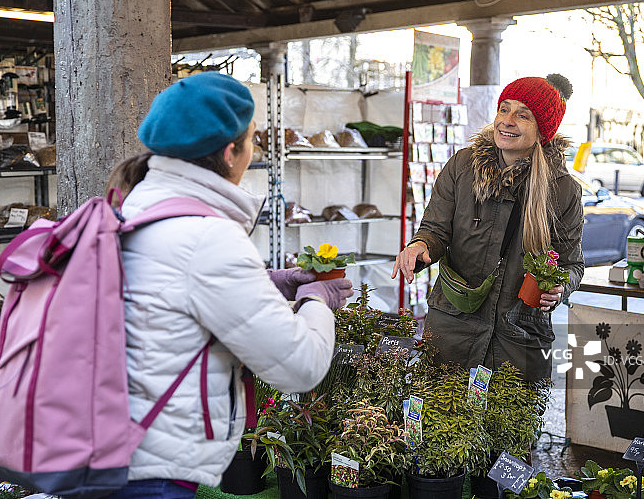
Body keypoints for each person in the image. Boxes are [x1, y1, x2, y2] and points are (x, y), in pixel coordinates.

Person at [108, 72, 353, 498]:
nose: (253, 151)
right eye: (253, 140)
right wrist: (317, 299)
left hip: (120, 441)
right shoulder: (208, 236)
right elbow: (300, 366)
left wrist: (269, 282)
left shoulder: (136, 205)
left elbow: (178, 290)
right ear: (229, 152)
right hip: (153, 466)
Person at [392, 74, 584, 383]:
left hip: (518, 338)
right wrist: (420, 245)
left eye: (523, 115)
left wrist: (560, 287)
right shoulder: (462, 167)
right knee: (441, 424)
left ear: (543, 130)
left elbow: (571, 263)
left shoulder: (562, 189)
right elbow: (435, 229)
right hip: (453, 330)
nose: (508, 121)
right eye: (504, 109)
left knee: (510, 429)